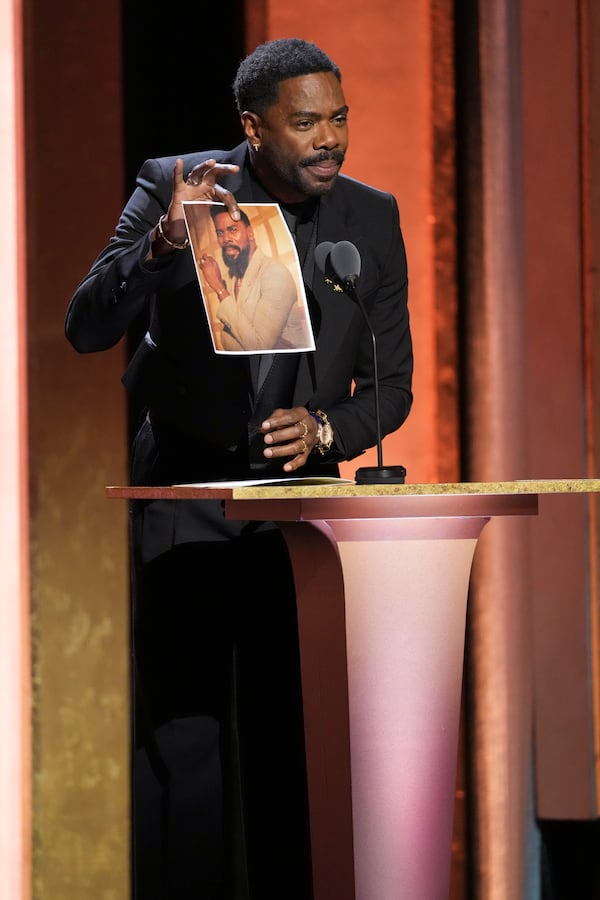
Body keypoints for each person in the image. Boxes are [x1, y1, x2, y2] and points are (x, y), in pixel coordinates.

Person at [65, 36, 413, 900]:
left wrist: (328, 428)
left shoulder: (371, 217)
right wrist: (158, 249)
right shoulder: (179, 183)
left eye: (338, 119)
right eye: (306, 124)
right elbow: (84, 325)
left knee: (290, 728)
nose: (329, 138)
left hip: (299, 509)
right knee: (184, 735)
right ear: (252, 128)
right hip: (186, 488)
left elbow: (393, 385)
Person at [198, 205, 313, 352]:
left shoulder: (275, 273)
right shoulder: (234, 276)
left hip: (278, 370)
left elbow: (259, 346)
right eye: (220, 233)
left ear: (250, 233)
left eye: (232, 230)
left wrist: (220, 288)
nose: (225, 239)